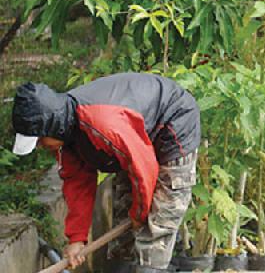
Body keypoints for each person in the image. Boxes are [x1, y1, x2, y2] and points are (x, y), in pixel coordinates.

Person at [11, 73, 201, 273]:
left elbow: (143, 169)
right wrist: (77, 238)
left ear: (51, 128)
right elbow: (78, 185)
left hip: (172, 124)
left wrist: (139, 213)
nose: (41, 146)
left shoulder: (102, 123)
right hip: (134, 143)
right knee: (124, 241)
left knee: (156, 230)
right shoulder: (66, 133)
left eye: (40, 141)